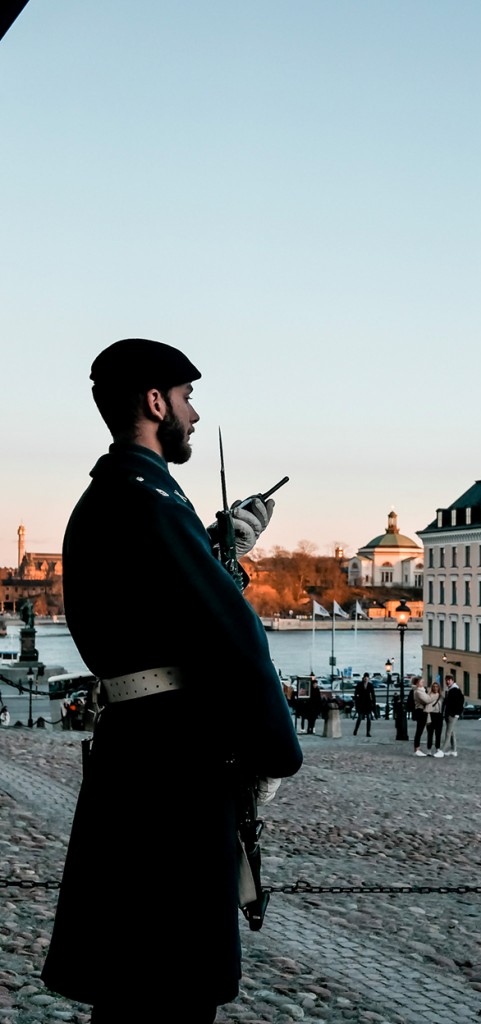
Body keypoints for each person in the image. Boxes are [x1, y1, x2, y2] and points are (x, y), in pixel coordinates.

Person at [41, 339, 303, 1024]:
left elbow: (153, 603)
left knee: (133, 969)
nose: (192, 412)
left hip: (136, 749)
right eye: (186, 398)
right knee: (169, 980)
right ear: (156, 402)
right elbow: (229, 637)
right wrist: (273, 751)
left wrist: (216, 548)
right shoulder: (149, 500)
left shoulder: (115, 494)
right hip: (173, 767)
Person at [412, 676, 437, 756]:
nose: (423, 683)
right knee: (419, 730)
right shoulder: (418, 692)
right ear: (417, 683)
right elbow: (427, 700)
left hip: (423, 711)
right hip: (421, 711)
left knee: (421, 730)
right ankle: (417, 749)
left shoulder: (421, 691)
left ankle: (417, 748)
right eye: (421, 682)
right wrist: (435, 695)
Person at [442, 674, 464, 756]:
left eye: (449, 680)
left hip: (452, 714)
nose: (447, 682)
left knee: (448, 732)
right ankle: (454, 750)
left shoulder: (454, 690)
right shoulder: (451, 689)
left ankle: (443, 750)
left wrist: (457, 713)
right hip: (451, 713)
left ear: (452, 680)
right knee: (451, 732)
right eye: (446, 680)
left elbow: (459, 703)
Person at [353, 672, 377, 736]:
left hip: (368, 704)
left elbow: (373, 695)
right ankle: (356, 730)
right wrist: (357, 702)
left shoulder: (370, 685)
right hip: (361, 704)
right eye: (365, 678)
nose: (366, 679)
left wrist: (373, 703)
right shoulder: (359, 684)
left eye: (367, 678)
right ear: (363, 678)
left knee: (369, 718)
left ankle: (368, 732)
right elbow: (356, 693)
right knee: (360, 718)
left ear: (368, 678)